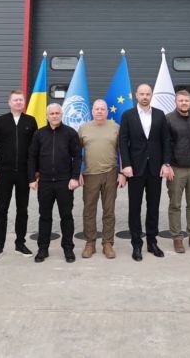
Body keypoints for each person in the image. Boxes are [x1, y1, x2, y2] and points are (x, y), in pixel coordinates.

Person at [119, 84, 173, 261]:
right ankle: (136, 244)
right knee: (134, 208)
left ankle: (152, 242)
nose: (144, 96)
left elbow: (166, 140)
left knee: (153, 207)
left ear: (151, 96)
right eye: (141, 94)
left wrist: (166, 163)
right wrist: (126, 165)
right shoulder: (128, 115)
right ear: (136, 95)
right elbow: (123, 141)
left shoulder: (159, 114)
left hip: (155, 169)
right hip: (135, 169)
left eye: (147, 94)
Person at [0, 90, 38, 260]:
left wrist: (35, 172)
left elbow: (35, 149)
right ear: (9, 102)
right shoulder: (1, 121)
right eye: (15, 100)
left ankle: (20, 243)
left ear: (24, 102)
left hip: (24, 173)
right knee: (2, 208)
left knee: (22, 209)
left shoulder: (30, 121)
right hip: (5, 172)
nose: (18, 102)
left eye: (21, 100)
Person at [29, 104, 82, 263]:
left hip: (64, 182)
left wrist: (74, 177)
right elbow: (32, 157)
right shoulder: (39, 134)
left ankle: (68, 248)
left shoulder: (70, 133)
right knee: (45, 216)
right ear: (47, 116)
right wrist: (31, 179)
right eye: (51, 113)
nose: (54, 116)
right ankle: (42, 249)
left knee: (66, 216)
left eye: (57, 113)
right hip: (45, 182)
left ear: (61, 114)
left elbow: (77, 156)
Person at [78, 99, 126, 259]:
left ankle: (107, 243)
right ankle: (90, 243)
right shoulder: (83, 128)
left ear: (107, 111)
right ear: (92, 111)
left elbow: (122, 151)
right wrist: (77, 172)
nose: (99, 111)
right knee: (89, 210)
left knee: (109, 210)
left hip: (110, 173)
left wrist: (122, 173)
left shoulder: (115, 127)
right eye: (97, 109)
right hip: (90, 175)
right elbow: (76, 153)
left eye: (102, 109)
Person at [165, 90, 190, 253]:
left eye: (186, 100)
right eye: (181, 100)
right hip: (176, 169)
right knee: (175, 205)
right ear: (176, 102)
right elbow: (165, 143)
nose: (184, 103)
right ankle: (177, 238)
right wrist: (166, 164)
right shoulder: (168, 119)